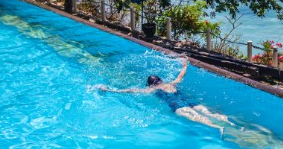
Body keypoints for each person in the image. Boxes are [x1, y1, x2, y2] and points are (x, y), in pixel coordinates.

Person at [99, 57, 233, 136]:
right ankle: (232, 123)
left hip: (178, 106)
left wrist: (111, 90)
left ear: (150, 84)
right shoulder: (171, 83)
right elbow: (181, 75)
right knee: (209, 113)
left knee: (198, 118)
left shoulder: (152, 89)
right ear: (160, 80)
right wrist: (185, 64)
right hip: (188, 101)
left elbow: (131, 90)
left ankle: (218, 128)